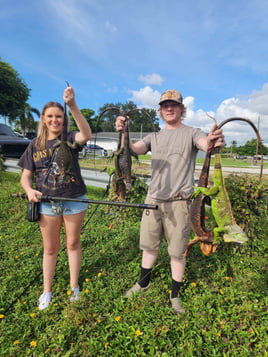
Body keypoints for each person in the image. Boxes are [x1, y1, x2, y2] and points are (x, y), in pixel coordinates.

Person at [115, 89, 224, 314]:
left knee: (177, 252)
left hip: (179, 202)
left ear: (181, 109)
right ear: (161, 110)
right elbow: (134, 150)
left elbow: (206, 144)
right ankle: (143, 283)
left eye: (174, 105)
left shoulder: (192, 132)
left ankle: (175, 295)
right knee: (149, 246)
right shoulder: (154, 136)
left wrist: (213, 141)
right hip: (152, 200)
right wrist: (124, 132)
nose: (169, 108)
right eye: (165, 105)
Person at [18, 85, 92, 310]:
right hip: (47, 203)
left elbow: (86, 134)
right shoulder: (35, 145)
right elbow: (25, 176)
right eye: (50, 116)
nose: (54, 120)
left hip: (74, 199)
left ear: (63, 119)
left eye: (58, 116)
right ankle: (47, 290)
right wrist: (29, 190)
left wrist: (72, 105)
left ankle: (74, 286)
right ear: (43, 119)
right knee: (50, 248)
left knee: (73, 243)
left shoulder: (70, 138)